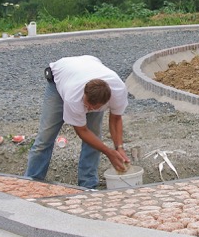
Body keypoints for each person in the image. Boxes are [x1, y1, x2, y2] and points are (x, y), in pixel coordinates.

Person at [25, 55, 130, 189]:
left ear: (107, 100)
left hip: (87, 67)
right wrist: (108, 152)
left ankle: (88, 186)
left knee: (94, 140)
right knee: (45, 138)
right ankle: (31, 183)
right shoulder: (74, 96)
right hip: (60, 78)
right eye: (87, 105)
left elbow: (115, 119)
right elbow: (82, 131)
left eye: (95, 107)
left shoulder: (118, 91)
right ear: (84, 95)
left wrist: (119, 148)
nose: (90, 110)